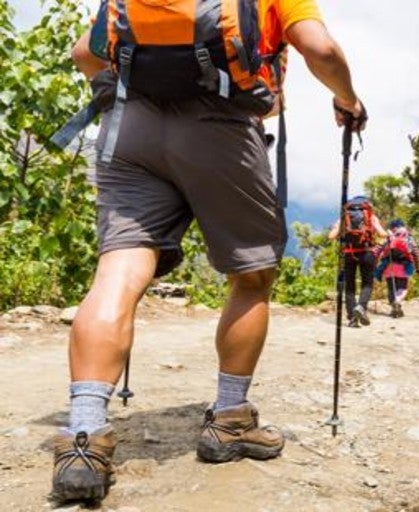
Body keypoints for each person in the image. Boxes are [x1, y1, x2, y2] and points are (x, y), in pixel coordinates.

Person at [54, 0, 366, 504]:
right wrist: (347, 99)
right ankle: (229, 421)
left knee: (119, 270)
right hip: (221, 129)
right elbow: (319, 48)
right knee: (251, 275)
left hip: (129, 130)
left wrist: (125, 98)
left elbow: (85, 54)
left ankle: (84, 438)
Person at [328, 197, 388, 328]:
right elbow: (382, 234)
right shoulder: (371, 216)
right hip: (367, 253)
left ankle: (352, 317)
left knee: (350, 286)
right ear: (366, 206)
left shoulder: (344, 217)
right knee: (367, 284)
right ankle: (361, 307)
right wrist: (387, 233)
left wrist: (337, 230)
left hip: (349, 253)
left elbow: (331, 236)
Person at [375, 219, 419, 318]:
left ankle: (393, 307)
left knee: (391, 288)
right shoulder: (408, 237)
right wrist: (417, 267)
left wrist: (373, 264)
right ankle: (398, 301)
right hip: (403, 266)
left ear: (392, 228)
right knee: (402, 288)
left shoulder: (388, 237)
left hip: (388, 265)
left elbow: (377, 250)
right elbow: (415, 253)